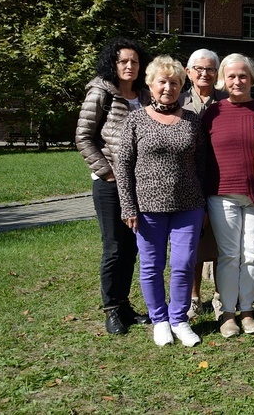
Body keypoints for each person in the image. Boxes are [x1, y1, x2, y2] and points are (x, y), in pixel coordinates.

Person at [117, 55, 206, 347]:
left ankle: (179, 319)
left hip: (188, 205)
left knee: (183, 264)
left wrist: (204, 203)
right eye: (163, 82)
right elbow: (124, 165)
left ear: (182, 86)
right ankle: (160, 320)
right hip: (148, 207)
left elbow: (203, 164)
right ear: (151, 84)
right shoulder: (136, 119)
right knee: (151, 265)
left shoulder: (192, 120)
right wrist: (128, 206)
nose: (168, 88)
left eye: (175, 83)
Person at [75, 37, 151, 335]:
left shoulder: (144, 95)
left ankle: (124, 305)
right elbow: (83, 137)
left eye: (134, 61)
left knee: (131, 246)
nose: (130, 66)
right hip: (110, 184)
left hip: (139, 183)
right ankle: (111, 310)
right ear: (113, 64)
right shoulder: (101, 92)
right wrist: (107, 174)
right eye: (123, 61)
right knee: (114, 246)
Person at [202, 54, 254, 338]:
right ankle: (228, 313)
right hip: (222, 195)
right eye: (231, 76)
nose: (237, 81)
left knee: (253, 255)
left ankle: (247, 310)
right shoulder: (212, 112)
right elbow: (202, 157)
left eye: (243, 76)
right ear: (223, 81)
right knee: (229, 255)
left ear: (252, 79)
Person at [179, 48, 228, 321]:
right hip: (188, 182)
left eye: (210, 69)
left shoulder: (225, 101)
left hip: (220, 179)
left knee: (220, 243)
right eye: (198, 69)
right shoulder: (178, 100)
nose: (204, 74)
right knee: (193, 244)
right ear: (188, 73)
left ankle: (220, 297)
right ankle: (194, 298)